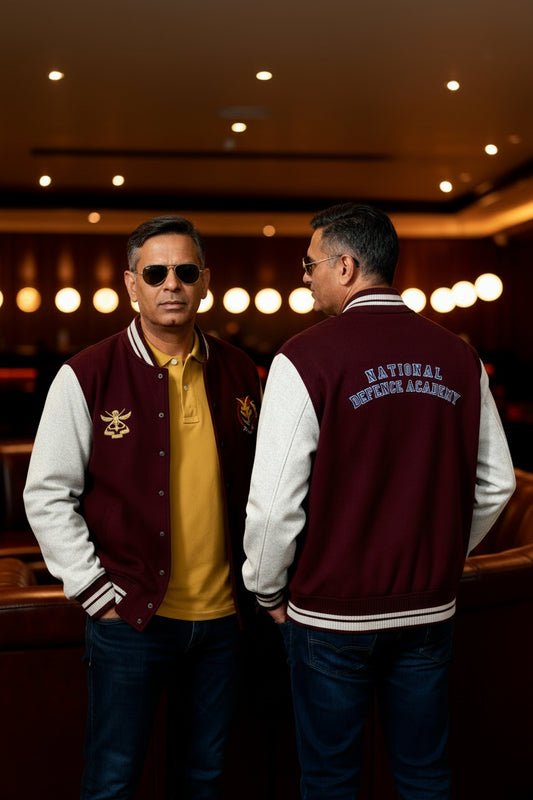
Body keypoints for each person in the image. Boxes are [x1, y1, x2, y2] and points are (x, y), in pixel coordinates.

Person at [242, 203, 515, 800]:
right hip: (428, 609)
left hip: (330, 615)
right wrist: (439, 552)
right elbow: (498, 483)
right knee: (424, 777)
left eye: (310, 264)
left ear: (345, 266)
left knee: (331, 782)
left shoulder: (302, 357)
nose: (304, 277)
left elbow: (273, 503)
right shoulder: (459, 354)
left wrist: (265, 589)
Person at [24, 215, 261, 800]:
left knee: (204, 781)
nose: (171, 284)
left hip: (224, 619)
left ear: (205, 281)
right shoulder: (86, 374)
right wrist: (96, 593)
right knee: (113, 781)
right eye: (155, 273)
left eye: (185, 272)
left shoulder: (240, 370)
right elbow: (47, 494)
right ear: (132, 284)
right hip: (130, 618)